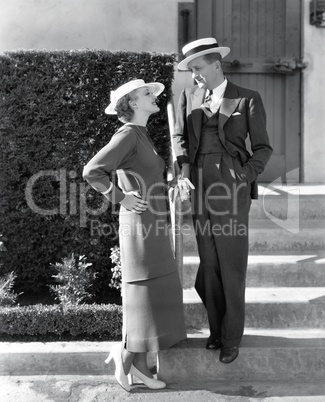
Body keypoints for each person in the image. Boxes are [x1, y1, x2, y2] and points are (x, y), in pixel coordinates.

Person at [173, 38, 273, 364]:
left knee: (231, 263)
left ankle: (231, 337)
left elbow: (263, 148)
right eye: (190, 71)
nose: (194, 76)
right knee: (209, 261)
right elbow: (179, 138)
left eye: (197, 69)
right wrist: (182, 171)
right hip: (199, 182)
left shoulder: (247, 98)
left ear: (216, 64)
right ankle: (215, 328)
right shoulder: (189, 97)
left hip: (232, 183)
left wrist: (243, 176)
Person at [83, 79, 186, 391]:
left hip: (152, 220)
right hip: (139, 224)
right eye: (147, 94)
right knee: (144, 289)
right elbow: (93, 171)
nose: (154, 96)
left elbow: (145, 176)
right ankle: (125, 354)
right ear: (131, 103)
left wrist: (172, 188)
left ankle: (140, 367)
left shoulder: (141, 134)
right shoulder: (128, 134)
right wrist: (120, 197)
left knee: (155, 289)